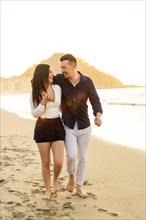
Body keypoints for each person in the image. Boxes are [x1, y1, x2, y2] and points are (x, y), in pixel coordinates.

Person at [53, 54, 103, 198]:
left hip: (85, 126)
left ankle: (79, 187)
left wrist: (98, 115)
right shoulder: (60, 79)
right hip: (68, 125)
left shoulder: (87, 82)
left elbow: (95, 100)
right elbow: (45, 79)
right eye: (60, 67)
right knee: (71, 156)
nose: (62, 70)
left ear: (73, 66)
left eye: (64, 67)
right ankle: (71, 176)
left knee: (83, 158)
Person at [30, 64, 65, 200]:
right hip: (42, 126)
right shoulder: (35, 93)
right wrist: (43, 102)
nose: (53, 74)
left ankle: (55, 179)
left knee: (58, 161)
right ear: (43, 74)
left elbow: (60, 106)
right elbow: (34, 113)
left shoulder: (57, 88)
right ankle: (48, 190)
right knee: (45, 162)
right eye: (50, 72)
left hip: (57, 124)